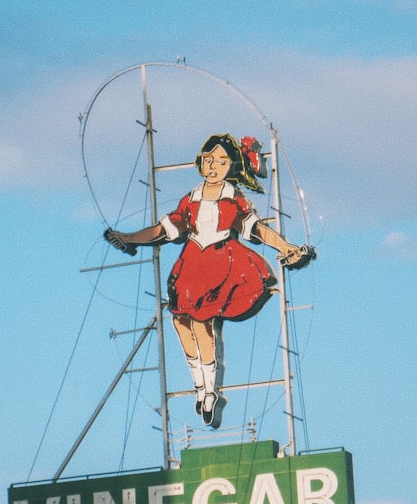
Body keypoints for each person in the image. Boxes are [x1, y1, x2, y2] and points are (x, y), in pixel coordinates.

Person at [104, 133, 314, 427]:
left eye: (221, 160)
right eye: (209, 159)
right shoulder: (191, 199)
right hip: (191, 266)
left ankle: (211, 391)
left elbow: (255, 229)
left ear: (231, 165)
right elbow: (164, 229)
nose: (214, 165)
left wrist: (285, 247)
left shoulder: (232, 198)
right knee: (180, 322)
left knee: (202, 323)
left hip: (219, 262)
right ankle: (201, 388)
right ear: (200, 162)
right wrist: (129, 239)